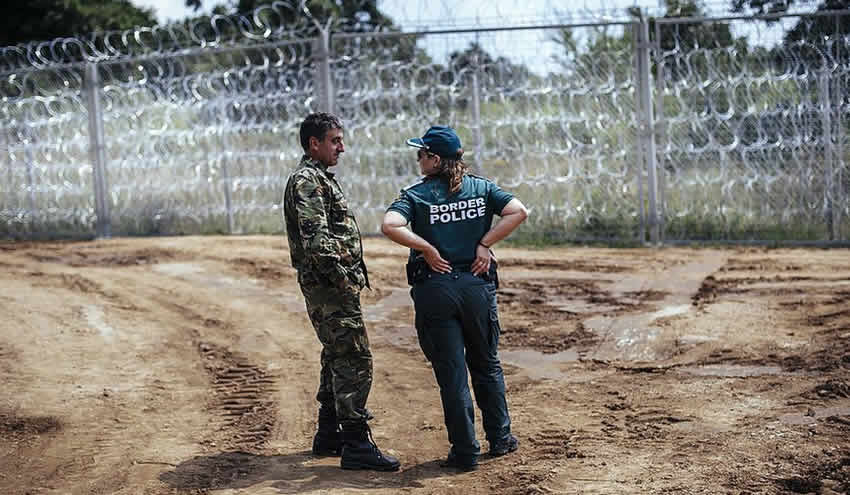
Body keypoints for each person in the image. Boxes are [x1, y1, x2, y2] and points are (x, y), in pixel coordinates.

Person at [380, 125, 529, 471]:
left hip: (436, 288)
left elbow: (390, 225)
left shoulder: (415, 196)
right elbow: (519, 211)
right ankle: (501, 438)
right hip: (477, 285)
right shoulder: (481, 188)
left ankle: (464, 452)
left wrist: (426, 247)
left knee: (453, 372)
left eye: (421, 153)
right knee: (486, 363)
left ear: (434, 159)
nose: (417, 159)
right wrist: (484, 244)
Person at [283, 112, 400, 472]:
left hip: (329, 286)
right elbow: (318, 242)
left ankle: (329, 433)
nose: (341, 147)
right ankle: (356, 442)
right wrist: (343, 280)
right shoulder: (307, 181)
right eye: (334, 140)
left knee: (335, 353)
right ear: (313, 144)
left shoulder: (317, 178)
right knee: (353, 357)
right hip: (330, 287)